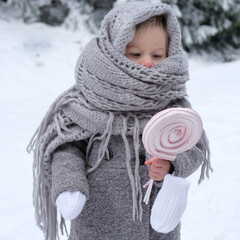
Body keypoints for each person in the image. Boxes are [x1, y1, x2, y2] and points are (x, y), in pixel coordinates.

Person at [28, 2, 211, 240]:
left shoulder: (170, 100)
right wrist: (70, 183)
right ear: (113, 52)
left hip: (153, 222)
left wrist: (172, 163)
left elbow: (192, 144)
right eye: (135, 53)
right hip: (97, 219)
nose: (147, 62)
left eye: (157, 55)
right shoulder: (89, 99)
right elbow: (66, 146)